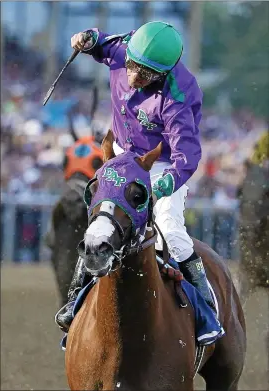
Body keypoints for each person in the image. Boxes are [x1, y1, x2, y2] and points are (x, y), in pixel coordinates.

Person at [56, 21, 217, 332]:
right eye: (131, 66)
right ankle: (75, 299)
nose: (132, 76)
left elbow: (187, 156)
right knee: (101, 221)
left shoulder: (179, 96)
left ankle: (206, 309)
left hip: (161, 164)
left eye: (144, 74)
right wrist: (86, 39)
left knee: (170, 230)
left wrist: (167, 182)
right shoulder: (124, 47)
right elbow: (100, 42)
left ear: (163, 74)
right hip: (121, 150)